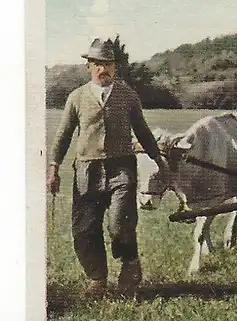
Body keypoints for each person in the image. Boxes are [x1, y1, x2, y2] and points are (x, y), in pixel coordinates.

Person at [46, 38, 169, 296]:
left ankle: (129, 264)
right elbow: (63, 135)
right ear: (89, 67)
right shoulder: (77, 97)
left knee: (120, 222)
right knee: (85, 228)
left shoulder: (127, 95)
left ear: (116, 67)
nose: (104, 69)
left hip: (121, 168)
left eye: (109, 64)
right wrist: (54, 167)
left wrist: (158, 159)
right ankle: (97, 279)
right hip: (86, 171)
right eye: (98, 64)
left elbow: (142, 130)